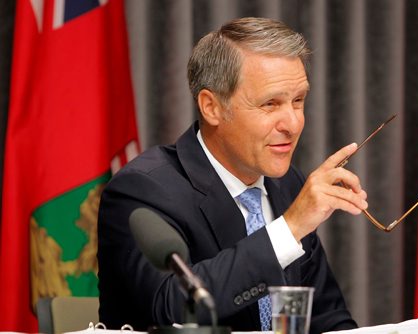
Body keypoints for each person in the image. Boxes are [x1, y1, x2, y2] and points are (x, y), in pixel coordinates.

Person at [98, 17, 368, 333]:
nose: (293, 124)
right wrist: (290, 228)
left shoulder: (288, 185)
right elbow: (171, 305)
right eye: (271, 104)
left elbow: (327, 319)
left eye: (298, 101)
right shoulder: (143, 189)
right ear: (211, 107)